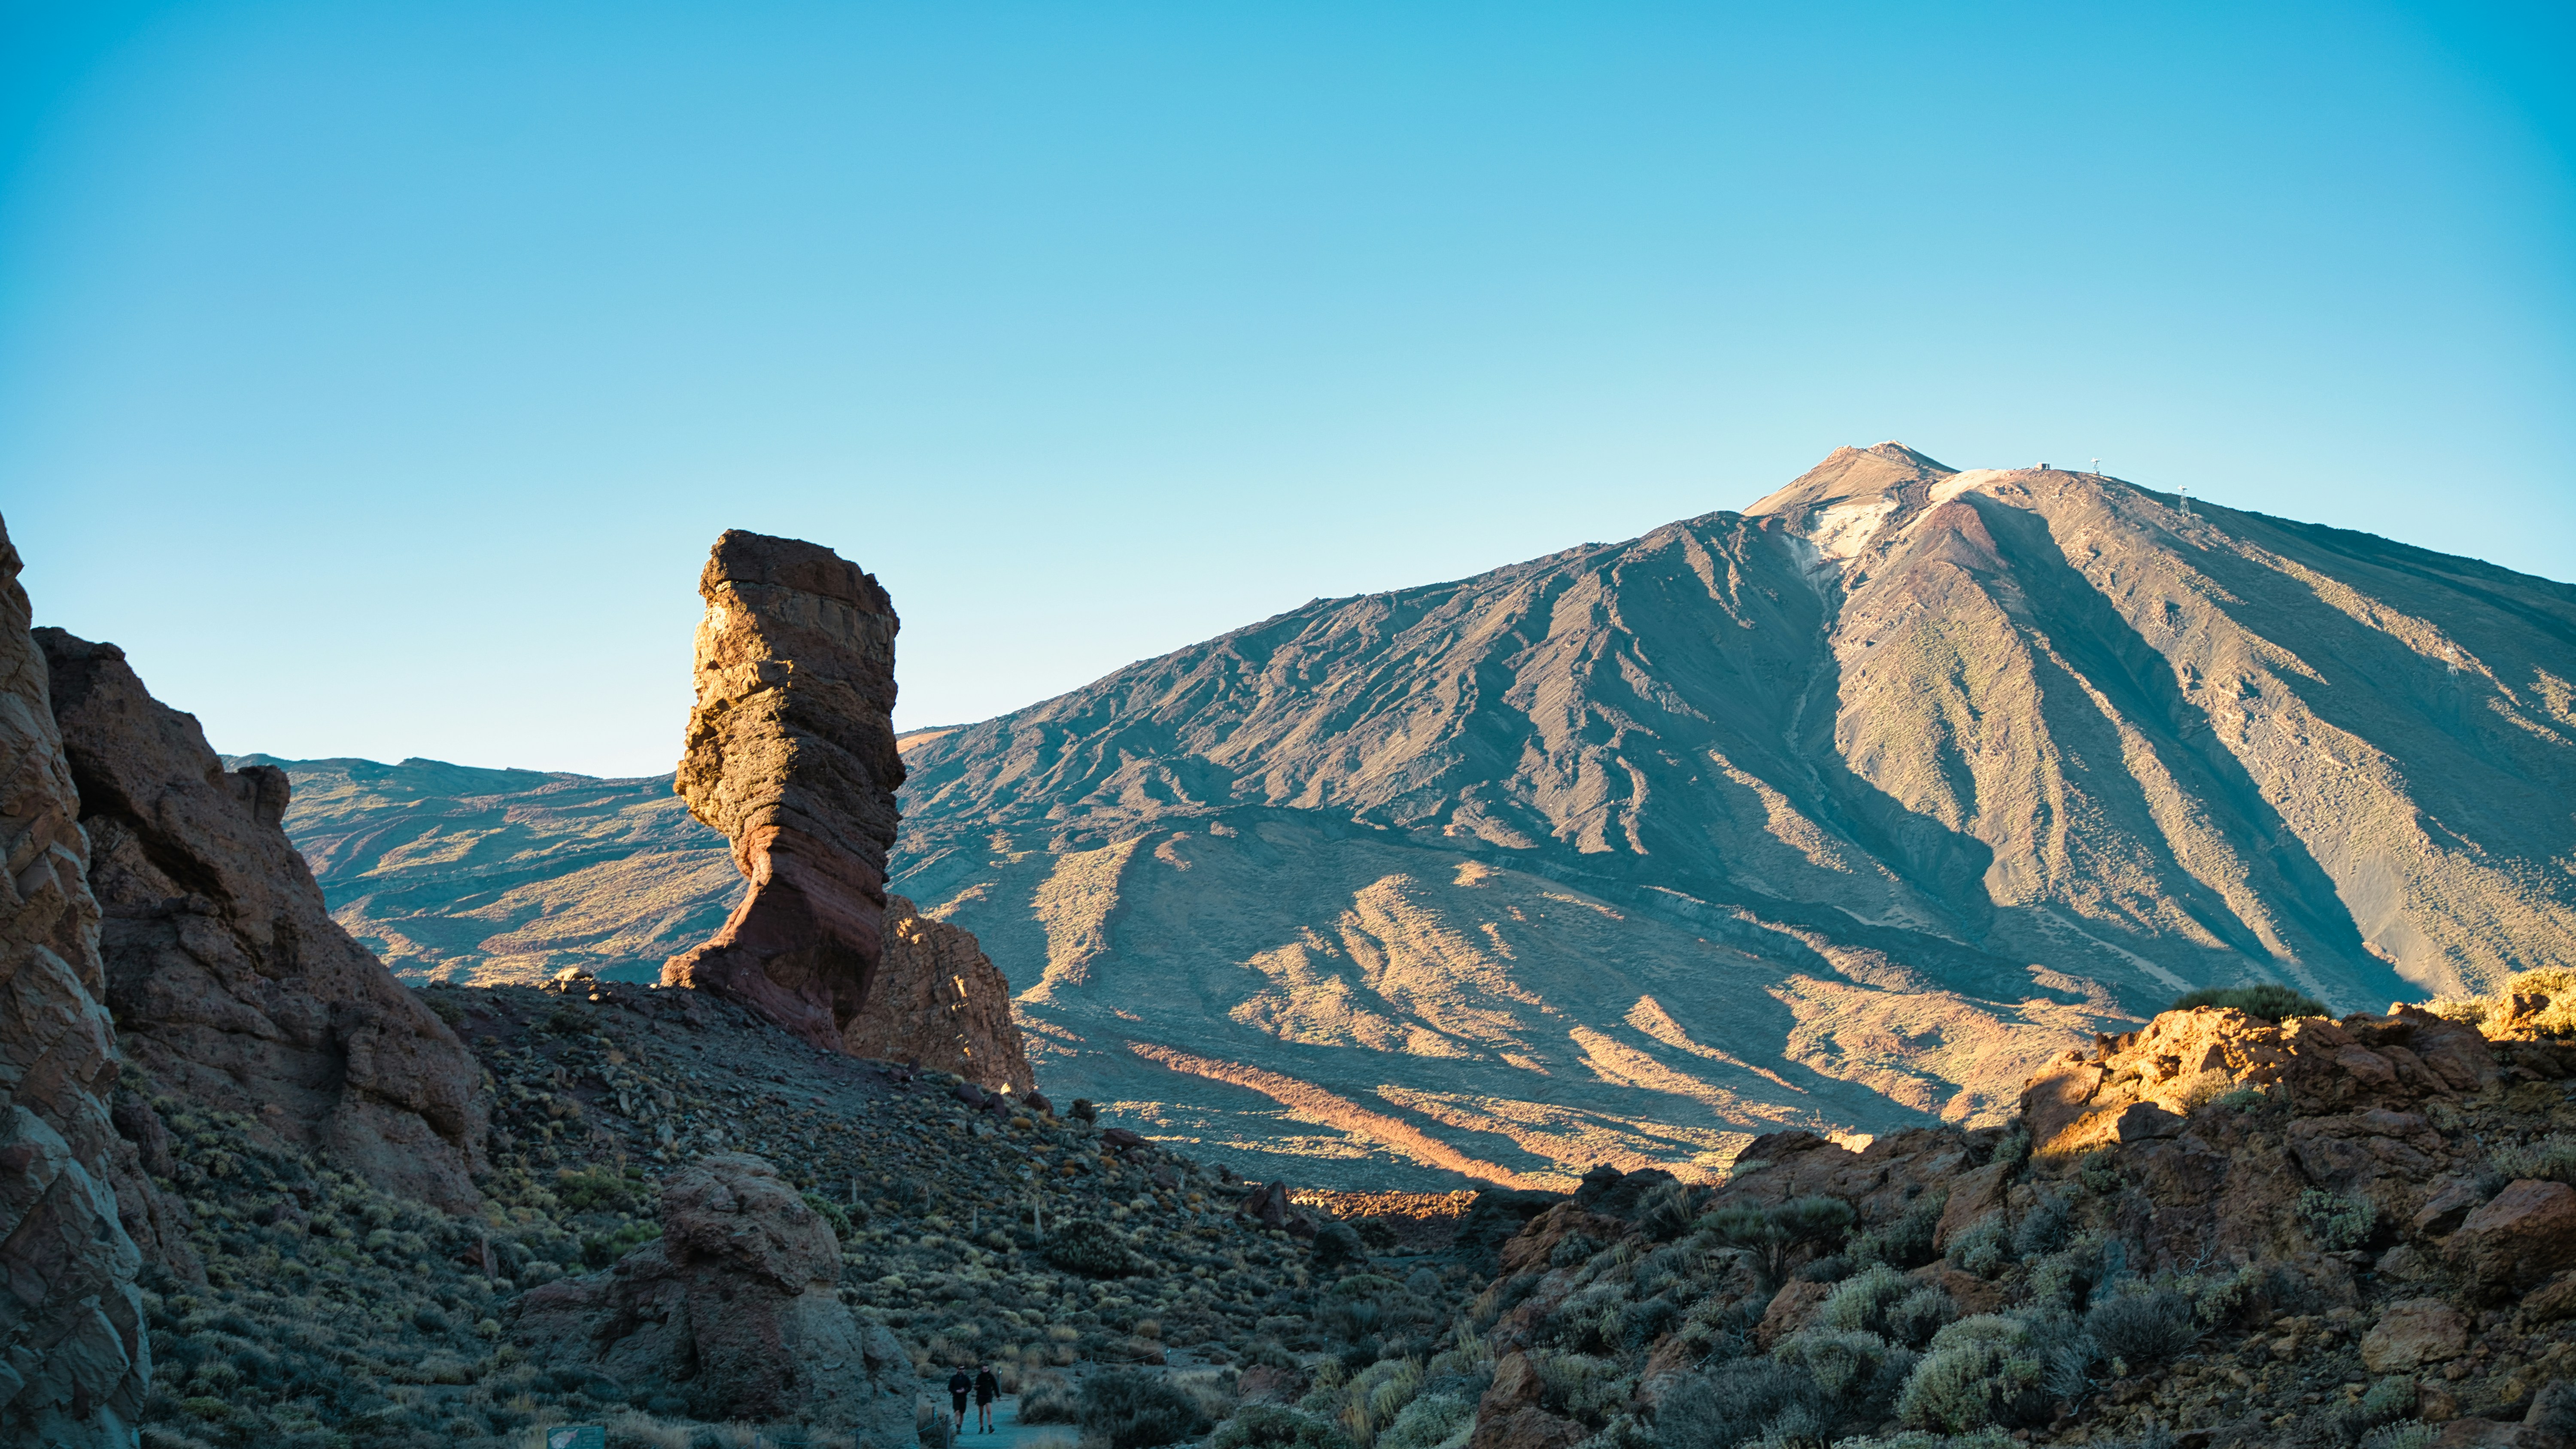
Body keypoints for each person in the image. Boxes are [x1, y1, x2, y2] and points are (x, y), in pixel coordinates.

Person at [974, 1362, 999, 1433]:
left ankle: (990, 1427)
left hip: (988, 1396)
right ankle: (982, 1428)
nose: (985, 1370)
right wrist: (976, 1387)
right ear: (982, 1369)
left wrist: (998, 1396)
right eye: (984, 1369)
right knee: (981, 1413)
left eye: (986, 1369)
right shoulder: (979, 1376)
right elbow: (976, 1386)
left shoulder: (991, 1376)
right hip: (981, 1396)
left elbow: (995, 1386)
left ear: (988, 1369)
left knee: (989, 1411)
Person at [947, 1366, 972, 1436]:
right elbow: (950, 1388)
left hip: (964, 1397)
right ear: (958, 1370)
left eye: (963, 1369)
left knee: (962, 1413)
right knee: (957, 1412)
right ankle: (957, 1426)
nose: (962, 1370)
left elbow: (970, 1388)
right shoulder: (954, 1378)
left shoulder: (966, 1378)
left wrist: (965, 1390)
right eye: (960, 1369)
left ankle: (960, 1427)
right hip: (956, 1397)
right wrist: (956, 1391)